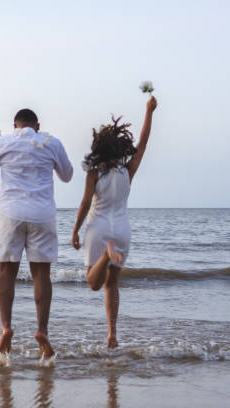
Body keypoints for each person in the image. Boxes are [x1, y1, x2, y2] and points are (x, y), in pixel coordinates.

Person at [0, 109, 73, 364]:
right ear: (37, 126)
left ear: (14, 125)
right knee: (41, 275)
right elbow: (67, 175)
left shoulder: (4, 141)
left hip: (11, 213)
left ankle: (6, 327)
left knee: (6, 273)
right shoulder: (51, 142)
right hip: (42, 214)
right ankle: (42, 330)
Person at [71, 96, 158, 348]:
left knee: (93, 283)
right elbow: (143, 142)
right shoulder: (128, 170)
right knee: (111, 284)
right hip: (121, 230)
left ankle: (106, 256)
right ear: (120, 148)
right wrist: (149, 112)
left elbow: (86, 203)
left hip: (98, 229)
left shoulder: (94, 172)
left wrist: (75, 230)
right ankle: (112, 334)